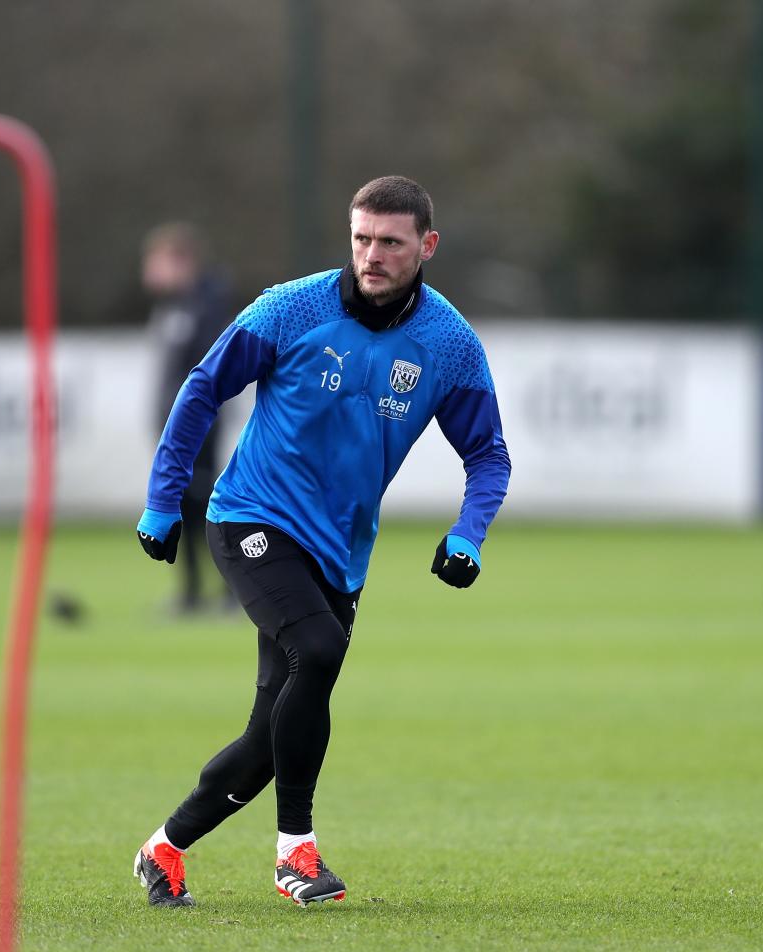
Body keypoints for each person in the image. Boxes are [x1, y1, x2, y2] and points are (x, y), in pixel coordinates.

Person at [132, 176, 511, 907]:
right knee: (322, 651)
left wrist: (469, 534)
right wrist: (161, 502)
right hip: (251, 517)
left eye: (390, 242)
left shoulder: (449, 344)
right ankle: (294, 856)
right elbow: (203, 387)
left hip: (340, 551)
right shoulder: (291, 307)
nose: (371, 254)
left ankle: (164, 848)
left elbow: (488, 454)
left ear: (426, 247)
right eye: (361, 238)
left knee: (270, 739)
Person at [141, 222, 233, 613]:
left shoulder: (206, 305)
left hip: (199, 429)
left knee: (205, 505)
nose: (149, 271)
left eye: (157, 262)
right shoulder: (172, 307)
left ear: (181, 261)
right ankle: (193, 591)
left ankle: (232, 590)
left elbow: (210, 374)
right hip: (174, 430)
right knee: (184, 508)